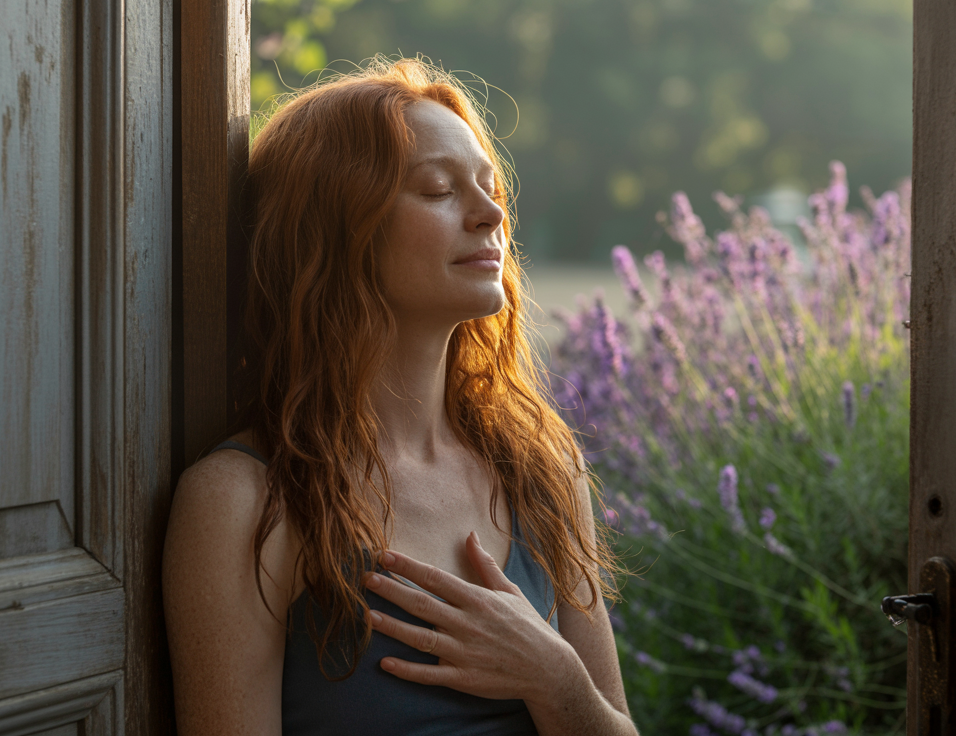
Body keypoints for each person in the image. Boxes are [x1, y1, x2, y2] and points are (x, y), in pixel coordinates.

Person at [162, 57, 637, 735]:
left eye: (491, 187)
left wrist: (555, 677)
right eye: (439, 190)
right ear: (332, 230)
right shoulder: (245, 502)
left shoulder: (541, 470)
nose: (491, 215)